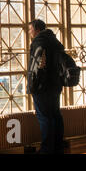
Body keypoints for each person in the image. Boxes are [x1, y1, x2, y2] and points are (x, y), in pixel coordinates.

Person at [27, 19, 65, 154]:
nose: (29, 33)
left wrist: (32, 86)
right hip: (55, 85)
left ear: (37, 30)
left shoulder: (38, 42)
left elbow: (35, 67)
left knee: (44, 117)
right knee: (55, 115)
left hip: (41, 87)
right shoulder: (55, 42)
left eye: (30, 30)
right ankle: (58, 147)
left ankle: (47, 149)